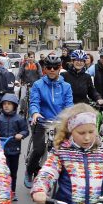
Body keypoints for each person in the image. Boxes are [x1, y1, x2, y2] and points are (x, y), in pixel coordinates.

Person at [25, 53, 73, 186]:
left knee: (64, 149)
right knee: (39, 149)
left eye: (55, 67)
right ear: (45, 68)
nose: (52, 70)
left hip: (59, 123)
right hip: (41, 120)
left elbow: (69, 105)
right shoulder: (38, 85)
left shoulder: (66, 86)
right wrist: (35, 113)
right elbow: (35, 102)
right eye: (49, 67)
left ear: (60, 68)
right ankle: (29, 170)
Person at [0, 93, 28, 199]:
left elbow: (26, 130)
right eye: (4, 104)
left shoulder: (19, 119)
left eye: (9, 104)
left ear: (14, 106)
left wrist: (21, 134)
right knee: (3, 171)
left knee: (13, 172)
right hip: (2, 150)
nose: (6, 106)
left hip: (14, 150)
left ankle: (12, 191)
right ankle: (3, 190)